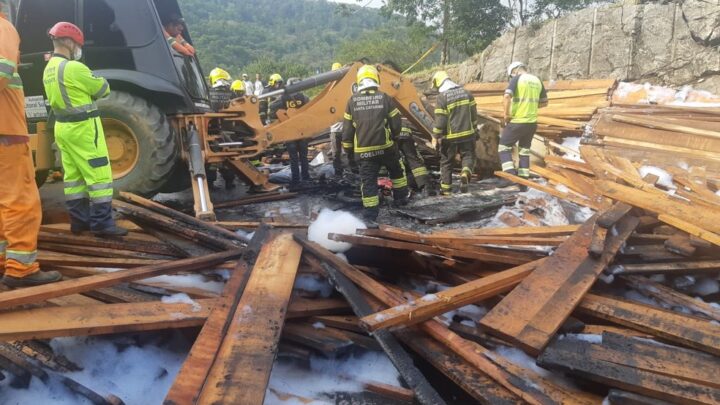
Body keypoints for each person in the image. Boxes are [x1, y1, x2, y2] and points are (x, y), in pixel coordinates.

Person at [43, 22, 128, 239]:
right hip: (84, 129)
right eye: (77, 43)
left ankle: (79, 223)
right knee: (99, 175)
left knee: (74, 177)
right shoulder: (74, 68)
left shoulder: (49, 68)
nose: (78, 48)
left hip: (63, 128)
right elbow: (103, 89)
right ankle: (102, 225)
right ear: (68, 42)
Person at [0, 3, 62, 287]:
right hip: (7, 132)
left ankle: (5, 262)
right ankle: (21, 270)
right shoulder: (2, 27)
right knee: (22, 200)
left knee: (3, 202)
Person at [342, 65, 408, 222]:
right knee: (397, 171)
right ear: (375, 79)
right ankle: (400, 200)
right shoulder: (384, 97)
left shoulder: (352, 101)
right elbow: (396, 123)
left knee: (368, 182)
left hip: (364, 153)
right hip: (385, 148)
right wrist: (395, 137)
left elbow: (347, 131)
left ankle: (371, 215)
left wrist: (348, 150)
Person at [498, 61, 548, 182]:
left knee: (503, 147)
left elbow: (506, 96)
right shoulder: (537, 80)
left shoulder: (516, 79)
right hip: (531, 123)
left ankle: (510, 176)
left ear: (514, 71)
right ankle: (523, 178)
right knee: (524, 150)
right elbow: (544, 103)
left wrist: (506, 115)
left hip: (517, 120)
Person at [431, 70, 477, 195]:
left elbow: (440, 120)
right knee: (468, 156)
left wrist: (435, 136)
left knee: (446, 163)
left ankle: (446, 191)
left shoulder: (442, 97)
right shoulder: (467, 93)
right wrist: (475, 130)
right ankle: (465, 173)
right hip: (468, 133)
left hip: (450, 137)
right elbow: (473, 115)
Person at [268, 75, 311, 187]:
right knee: (303, 157)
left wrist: (281, 118)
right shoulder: (303, 97)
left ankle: (296, 180)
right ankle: (306, 177)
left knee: (293, 158)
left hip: (289, 133)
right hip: (302, 132)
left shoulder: (283, 98)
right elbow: (311, 111)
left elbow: (271, 109)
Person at [397, 118, 430, 192]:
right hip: (406, 131)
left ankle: (401, 189)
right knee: (413, 160)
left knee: (394, 161)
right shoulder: (390, 108)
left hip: (393, 133)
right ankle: (425, 186)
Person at [328, 62, 345, 177]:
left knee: (340, 152)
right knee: (336, 153)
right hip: (338, 128)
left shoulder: (344, 88)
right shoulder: (330, 90)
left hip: (343, 127)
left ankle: (346, 171)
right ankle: (339, 172)